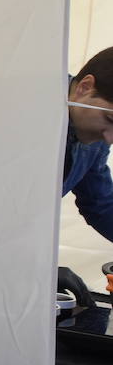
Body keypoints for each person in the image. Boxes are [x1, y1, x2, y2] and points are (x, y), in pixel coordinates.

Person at [65, 48, 113, 243]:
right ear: (85, 87)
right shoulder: (21, 107)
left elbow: (99, 203)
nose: (109, 139)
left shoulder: (95, 134)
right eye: (110, 119)